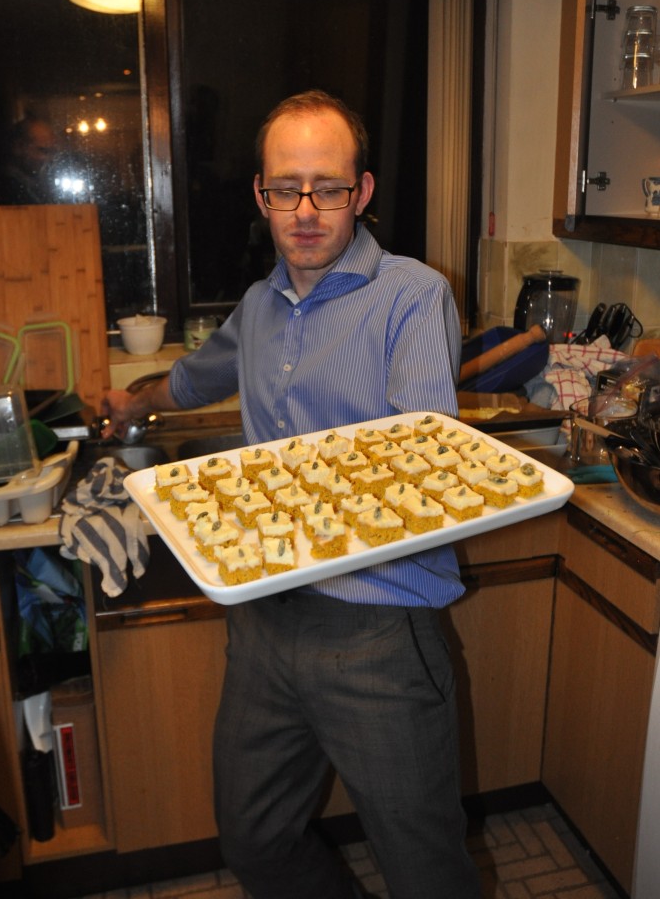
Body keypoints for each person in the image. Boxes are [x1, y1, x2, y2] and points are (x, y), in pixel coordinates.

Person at [101, 89, 481, 899]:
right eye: (286, 188)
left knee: (425, 869)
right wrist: (137, 402)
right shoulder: (260, 304)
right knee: (256, 837)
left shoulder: (414, 295)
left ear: (363, 192)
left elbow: (419, 450)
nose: (306, 210)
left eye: (329, 187)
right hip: (265, 617)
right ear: (261, 195)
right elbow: (197, 375)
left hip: (375, 625)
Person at [0, 116, 56, 205]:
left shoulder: (37, 186)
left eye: (52, 152)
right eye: (43, 150)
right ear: (18, 147)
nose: (49, 159)